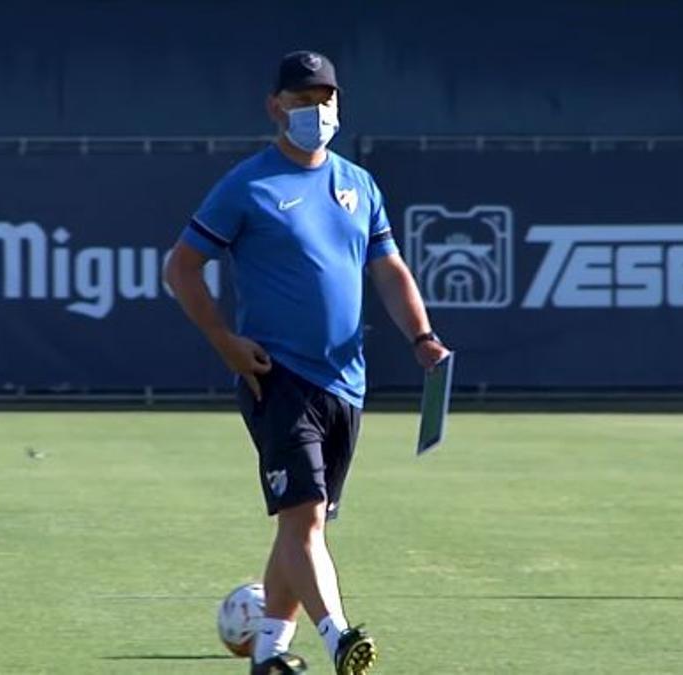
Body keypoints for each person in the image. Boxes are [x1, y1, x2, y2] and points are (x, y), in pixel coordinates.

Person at [165, 50, 448, 675]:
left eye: (325, 99)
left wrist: (422, 336)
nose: (314, 111)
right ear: (275, 107)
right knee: (306, 515)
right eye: (300, 99)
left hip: (346, 382)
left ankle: (267, 654)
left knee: (302, 525)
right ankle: (338, 636)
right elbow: (181, 267)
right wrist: (224, 341)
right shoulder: (248, 185)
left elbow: (389, 268)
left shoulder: (358, 184)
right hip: (278, 376)